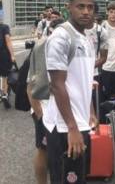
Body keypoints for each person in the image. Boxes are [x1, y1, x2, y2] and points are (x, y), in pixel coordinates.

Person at [43, 0, 97, 184]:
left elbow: (84, 80)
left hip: (81, 122)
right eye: (80, 6)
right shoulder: (61, 36)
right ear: (69, 8)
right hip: (64, 126)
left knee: (80, 178)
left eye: (90, 7)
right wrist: (72, 128)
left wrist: (90, 111)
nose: (85, 12)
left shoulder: (87, 38)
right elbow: (57, 85)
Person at [27, 17, 65, 184]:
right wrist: (40, 114)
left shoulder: (62, 46)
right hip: (44, 107)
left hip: (59, 109)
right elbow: (31, 85)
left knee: (57, 151)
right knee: (44, 150)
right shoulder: (43, 46)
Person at [101, 2, 115, 100]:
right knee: (107, 95)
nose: (113, 14)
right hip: (106, 66)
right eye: (111, 12)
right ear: (107, 12)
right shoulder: (102, 26)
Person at [0, 16, 15, 109]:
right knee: (5, 75)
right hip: (3, 53)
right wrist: (12, 55)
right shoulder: (4, 27)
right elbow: (8, 41)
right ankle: (5, 94)